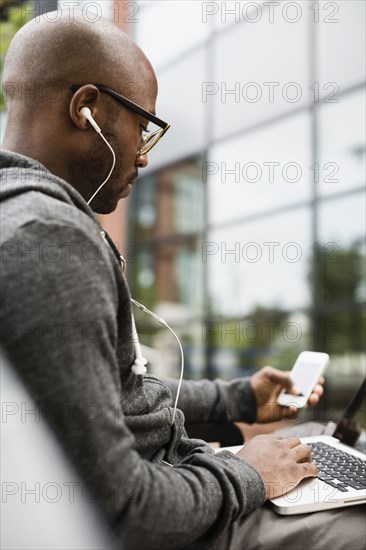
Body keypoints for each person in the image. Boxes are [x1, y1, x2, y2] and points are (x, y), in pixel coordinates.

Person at [0, 13, 364, 550]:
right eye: (143, 126)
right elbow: (121, 510)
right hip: (178, 520)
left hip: (182, 478)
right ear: (87, 109)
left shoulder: (24, 219)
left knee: (315, 442)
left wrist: (239, 397)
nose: (144, 155)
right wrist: (251, 475)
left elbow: (102, 397)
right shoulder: (48, 240)